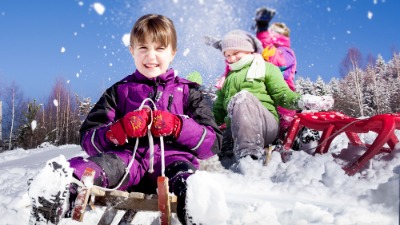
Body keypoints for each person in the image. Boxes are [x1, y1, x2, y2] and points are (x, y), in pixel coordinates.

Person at [28, 14, 222, 225]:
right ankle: (60, 187)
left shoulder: (187, 92)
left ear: (172, 53)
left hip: (174, 162)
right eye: (143, 48)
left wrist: (178, 126)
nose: (151, 56)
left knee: (191, 184)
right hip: (128, 161)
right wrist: (115, 132)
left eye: (159, 48)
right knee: (92, 169)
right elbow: (88, 139)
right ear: (132, 51)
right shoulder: (119, 91)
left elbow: (212, 144)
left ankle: (198, 213)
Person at [205, 29, 333, 169]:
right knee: (220, 139)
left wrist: (305, 100)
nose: (231, 58)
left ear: (249, 50)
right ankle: (226, 160)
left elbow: (282, 94)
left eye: (236, 53)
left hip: (266, 125)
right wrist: (202, 124)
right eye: (227, 55)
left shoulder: (266, 68)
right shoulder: (227, 79)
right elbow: (218, 112)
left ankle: (249, 158)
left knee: (243, 98)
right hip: (236, 128)